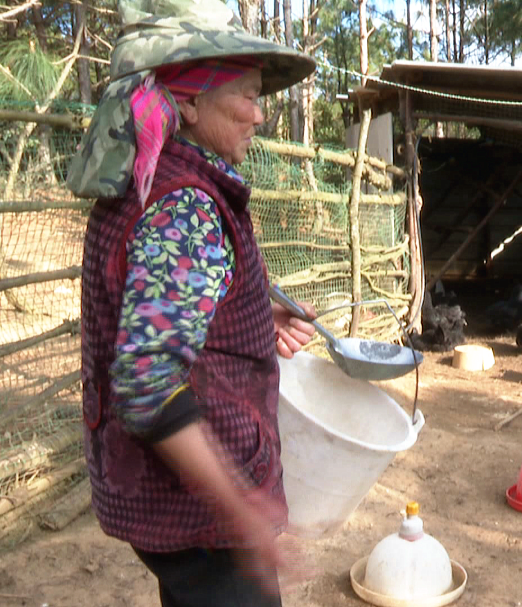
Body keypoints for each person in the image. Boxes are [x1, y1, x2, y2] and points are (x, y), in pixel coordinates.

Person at [67, 1, 318, 605]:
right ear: (189, 102)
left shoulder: (149, 183)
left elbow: (160, 297)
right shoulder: (187, 206)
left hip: (166, 504)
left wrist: (257, 312)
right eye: (250, 95)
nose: (260, 115)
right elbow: (148, 384)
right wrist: (244, 509)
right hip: (202, 515)